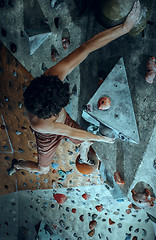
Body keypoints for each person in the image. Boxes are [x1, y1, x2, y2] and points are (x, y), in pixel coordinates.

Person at [11, 1, 140, 175]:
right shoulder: (40, 124)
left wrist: (124, 28)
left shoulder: (53, 75)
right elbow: (70, 131)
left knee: (83, 141)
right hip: (47, 137)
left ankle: (85, 148)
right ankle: (18, 165)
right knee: (43, 170)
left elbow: (87, 48)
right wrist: (100, 138)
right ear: (50, 114)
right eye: (57, 111)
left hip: (62, 121)